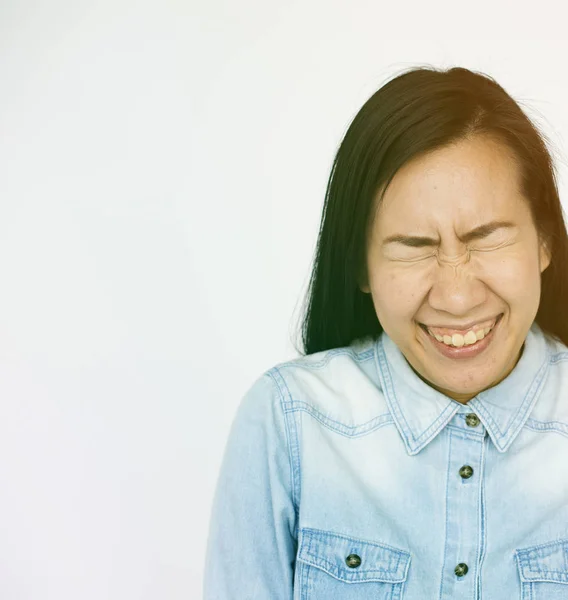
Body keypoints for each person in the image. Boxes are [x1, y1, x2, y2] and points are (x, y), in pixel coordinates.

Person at [202, 65, 568, 599]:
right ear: (360, 267)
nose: (457, 295)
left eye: (486, 237)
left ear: (544, 241)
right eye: (414, 245)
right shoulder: (289, 423)